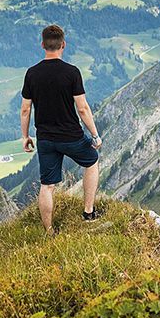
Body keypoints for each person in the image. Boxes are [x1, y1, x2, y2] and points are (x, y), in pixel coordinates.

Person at [20, 24, 102, 233]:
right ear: (63, 45)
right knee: (91, 162)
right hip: (71, 136)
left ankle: (49, 231)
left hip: (45, 139)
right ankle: (88, 212)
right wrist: (95, 134)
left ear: (43, 45)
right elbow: (82, 109)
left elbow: (25, 110)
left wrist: (25, 136)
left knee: (47, 185)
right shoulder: (72, 73)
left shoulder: (32, 73)